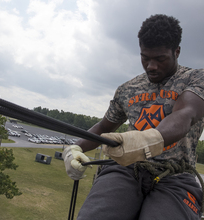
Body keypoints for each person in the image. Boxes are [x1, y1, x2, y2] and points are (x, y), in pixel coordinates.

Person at [63, 14, 204, 220]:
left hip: (175, 177)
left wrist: (145, 140)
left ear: (177, 51)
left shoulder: (195, 78)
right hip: (126, 169)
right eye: (145, 57)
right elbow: (103, 127)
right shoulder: (127, 89)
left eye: (160, 58)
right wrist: (74, 148)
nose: (151, 66)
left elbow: (186, 114)